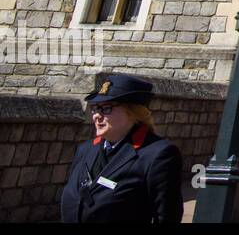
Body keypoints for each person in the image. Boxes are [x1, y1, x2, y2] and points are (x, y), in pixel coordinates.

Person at [60, 73, 182, 223]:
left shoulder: (157, 155)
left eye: (106, 108)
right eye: (95, 108)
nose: (97, 116)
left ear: (133, 112)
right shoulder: (86, 149)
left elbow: (166, 217)